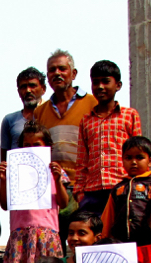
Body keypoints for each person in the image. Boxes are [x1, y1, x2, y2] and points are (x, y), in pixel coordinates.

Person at [0, 122, 70, 263]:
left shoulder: (55, 171)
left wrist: (57, 180)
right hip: (20, 236)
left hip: (46, 236)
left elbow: (63, 203)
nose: (31, 148)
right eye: (27, 145)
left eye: (37, 145)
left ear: (48, 147)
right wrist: (3, 181)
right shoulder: (14, 172)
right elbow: (4, 205)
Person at [73, 60, 141, 213]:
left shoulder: (129, 115)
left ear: (118, 85)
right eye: (95, 82)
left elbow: (139, 153)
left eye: (106, 81)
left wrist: (139, 185)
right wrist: (79, 192)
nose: (100, 87)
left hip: (122, 187)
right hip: (92, 192)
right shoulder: (86, 120)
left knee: (122, 228)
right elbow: (82, 160)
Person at [33, 50, 99, 181]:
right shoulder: (40, 112)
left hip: (85, 183)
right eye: (52, 70)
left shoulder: (93, 103)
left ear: (73, 74)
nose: (57, 73)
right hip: (53, 184)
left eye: (62, 69)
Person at [100, 136, 151, 242]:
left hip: (149, 242)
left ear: (150, 161)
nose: (133, 162)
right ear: (122, 160)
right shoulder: (118, 189)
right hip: (122, 243)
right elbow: (108, 219)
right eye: (128, 158)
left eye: (139, 157)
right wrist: (103, 240)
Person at [0, 67, 47, 161]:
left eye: (32, 85)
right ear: (18, 91)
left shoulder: (49, 117)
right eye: (23, 87)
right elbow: (4, 160)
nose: (28, 90)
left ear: (43, 89)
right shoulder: (9, 120)